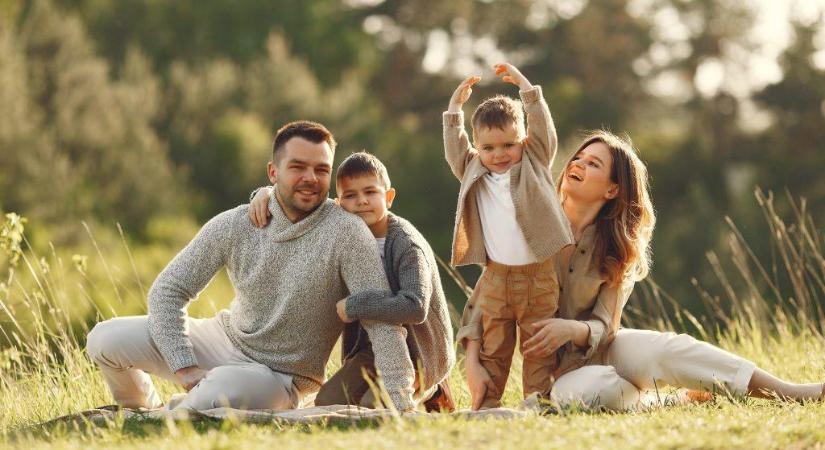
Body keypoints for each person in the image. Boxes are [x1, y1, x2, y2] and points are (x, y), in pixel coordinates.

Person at [463, 130, 825, 410]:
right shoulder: (527, 225)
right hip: (557, 375)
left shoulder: (617, 248)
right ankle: (665, 401)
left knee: (668, 349)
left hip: (602, 347)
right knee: (585, 393)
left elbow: (606, 327)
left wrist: (571, 329)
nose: (577, 165)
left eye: (593, 165)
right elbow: (487, 294)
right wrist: (473, 359)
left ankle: (788, 391)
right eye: (579, 158)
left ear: (612, 190)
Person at [86, 121, 417, 412]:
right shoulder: (236, 222)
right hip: (222, 339)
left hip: (278, 377)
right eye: (298, 167)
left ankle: (177, 413)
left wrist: (404, 405)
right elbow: (167, 290)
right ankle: (140, 411)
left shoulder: (347, 231)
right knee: (104, 338)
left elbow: (382, 322)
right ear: (273, 173)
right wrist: (184, 366)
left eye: (321, 170)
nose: (310, 178)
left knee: (218, 393)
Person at [248, 152, 456, 411]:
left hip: (417, 353)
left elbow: (416, 306)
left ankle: (432, 388)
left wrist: (356, 305)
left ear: (388, 197)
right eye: (350, 195)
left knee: (374, 406)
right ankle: (383, 386)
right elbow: (301, 207)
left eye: (370, 192)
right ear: (338, 204)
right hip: (369, 350)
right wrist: (265, 193)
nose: (361, 202)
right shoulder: (343, 233)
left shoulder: (406, 244)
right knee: (327, 403)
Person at [444, 63, 574, 409]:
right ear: (477, 147)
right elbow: (455, 149)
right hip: (497, 277)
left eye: (508, 145)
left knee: (538, 346)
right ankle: (489, 405)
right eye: (488, 148)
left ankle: (537, 400)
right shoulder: (473, 170)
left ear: (524, 142)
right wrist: (454, 110)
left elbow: (544, 131)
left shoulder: (534, 161)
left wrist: (527, 91)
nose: (499, 154)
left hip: (539, 276)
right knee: (494, 346)